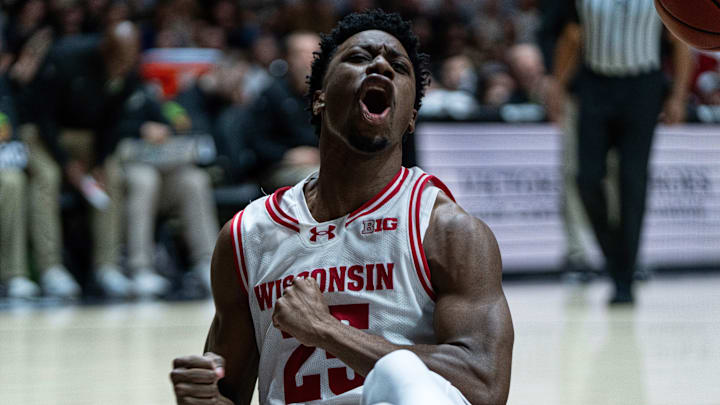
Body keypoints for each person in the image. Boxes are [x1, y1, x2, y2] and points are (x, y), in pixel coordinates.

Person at [170, 10, 514, 405]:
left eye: (398, 66)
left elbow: (485, 385)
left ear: (411, 116)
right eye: (359, 58)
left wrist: (326, 330)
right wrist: (203, 398)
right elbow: (227, 394)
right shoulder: (247, 235)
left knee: (408, 384)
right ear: (318, 97)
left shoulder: (445, 229)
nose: (381, 65)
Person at [547, 0, 693, 303]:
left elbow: (680, 41)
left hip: (643, 86)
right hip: (595, 85)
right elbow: (573, 36)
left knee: (632, 181)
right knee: (586, 179)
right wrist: (558, 88)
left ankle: (623, 279)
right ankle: (619, 259)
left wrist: (678, 95)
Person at [22, 21, 148, 298]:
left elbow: (115, 123)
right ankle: (50, 268)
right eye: (119, 61)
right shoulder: (65, 57)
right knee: (48, 177)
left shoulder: (128, 68)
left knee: (111, 176)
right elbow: (41, 117)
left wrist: (100, 162)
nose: (124, 68)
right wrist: (67, 164)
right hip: (45, 135)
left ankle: (107, 267)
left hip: (88, 137)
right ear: (106, 50)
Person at [244, 31, 321, 191]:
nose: (309, 60)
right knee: (318, 178)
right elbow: (256, 144)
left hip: (323, 162)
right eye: (301, 54)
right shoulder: (271, 94)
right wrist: (287, 155)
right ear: (288, 58)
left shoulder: (332, 94)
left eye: (315, 53)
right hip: (280, 167)